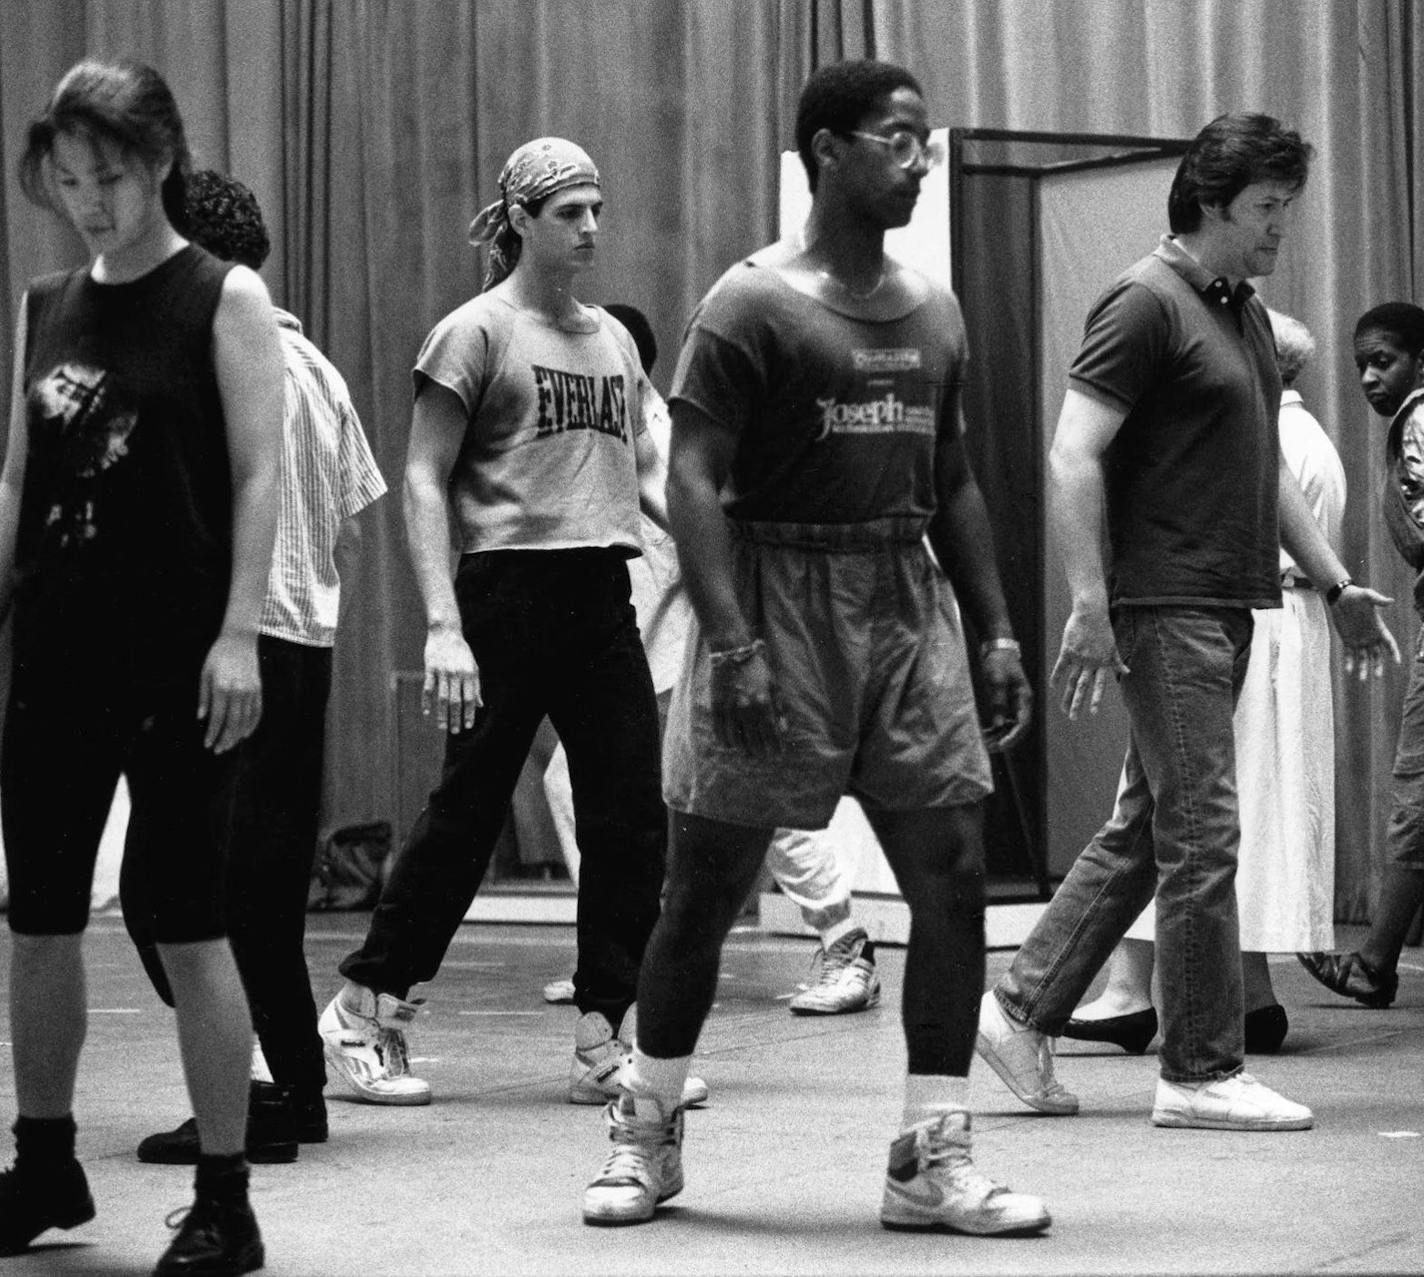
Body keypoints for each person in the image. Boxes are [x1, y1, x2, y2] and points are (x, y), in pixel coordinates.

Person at [582, 59, 1048, 1236]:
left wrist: (993, 628)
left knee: (947, 875)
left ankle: (928, 1153)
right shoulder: (749, 304)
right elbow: (688, 475)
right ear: (825, 149)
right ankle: (644, 1125)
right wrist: (730, 640)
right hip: (774, 597)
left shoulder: (933, 310)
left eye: (924, 141)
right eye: (896, 139)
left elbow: (952, 480)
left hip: (901, 600)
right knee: (702, 889)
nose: (918, 159)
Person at [975, 113, 1397, 1136]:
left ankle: (1019, 1005)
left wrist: (1335, 583)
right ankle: (1199, 1066)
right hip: (1162, 606)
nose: (1276, 230)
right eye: (1263, 211)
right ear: (1209, 204)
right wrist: (1085, 600)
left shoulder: (1238, 312)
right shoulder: (1142, 303)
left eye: (1283, 211)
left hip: (1224, 601)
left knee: (1149, 828)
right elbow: (1071, 455)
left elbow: (1260, 467)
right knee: (1201, 832)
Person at [320, 138, 700, 1111]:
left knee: (627, 814)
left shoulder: (612, 343)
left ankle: (605, 1037)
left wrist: (717, 567)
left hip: (599, 596)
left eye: (597, 207)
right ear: (521, 218)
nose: (591, 227)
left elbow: (651, 478)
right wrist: (441, 625)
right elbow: (419, 477)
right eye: (570, 210)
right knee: (465, 819)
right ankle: (364, 1010)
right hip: (503, 597)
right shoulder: (472, 334)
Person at [0, 59, 282, 1274]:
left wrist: (236, 633)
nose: (89, 201)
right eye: (67, 181)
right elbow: (19, 478)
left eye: (107, 175)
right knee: (41, 917)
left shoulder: (223, 299)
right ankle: (48, 1162)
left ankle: (228, 1197)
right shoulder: (44, 301)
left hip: (179, 661)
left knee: (187, 922)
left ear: (160, 158)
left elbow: (260, 474)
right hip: (55, 658)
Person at [122, 171, 387, 1163]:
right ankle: (292, 1090)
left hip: (229, 639)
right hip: (300, 640)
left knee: (167, 887)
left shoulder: (205, 352)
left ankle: (248, 1087)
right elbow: (353, 529)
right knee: (260, 888)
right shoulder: (314, 362)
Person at [530, 303, 880, 1019]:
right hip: (642, 650)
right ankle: (617, 950)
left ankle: (846, 942)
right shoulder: (613, 432)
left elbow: (701, 540)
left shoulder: (658, 434)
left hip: (688, 648)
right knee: (584, 785)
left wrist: (735, 642)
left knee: (750, 793)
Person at [1062, 309, 1344, 1058]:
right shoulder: (1301, 437)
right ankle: (1242, 994)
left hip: (1226, 612)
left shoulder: (1251, 431)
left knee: (1177, 809)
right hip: (1263, 614)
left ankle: (1113, 995)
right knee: (1220, 811)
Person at [1299, 302, 1424, 1008]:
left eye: (1384, 360)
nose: (1370, 377)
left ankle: (1374, 963)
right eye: (1361, 367)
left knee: (1416, 790)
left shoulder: (1418, 418)